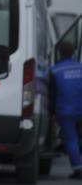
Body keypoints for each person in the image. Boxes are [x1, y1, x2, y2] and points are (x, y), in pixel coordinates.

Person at [50, 41, 82, 180]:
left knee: (71, 140)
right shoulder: (80, 68)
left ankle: (78, 170)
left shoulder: (55, 70)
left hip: (65, 111)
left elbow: (52, 94)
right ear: (73, 53)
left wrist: (52, 111)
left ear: (59, 53)